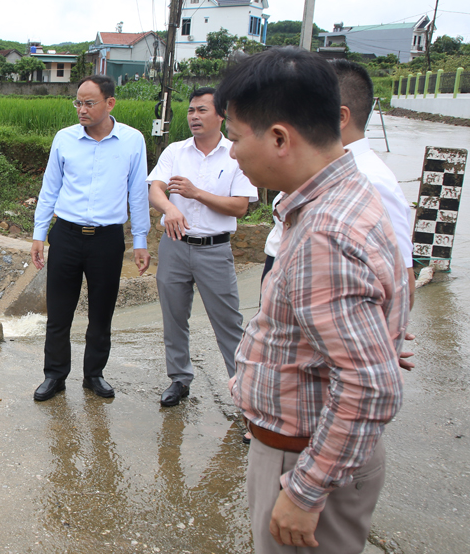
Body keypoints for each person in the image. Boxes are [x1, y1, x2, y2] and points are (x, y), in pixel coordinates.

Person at [217, 47, 408, 554]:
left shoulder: (326, 231)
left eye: (234, 138)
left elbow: (370, 386)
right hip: (307, 448)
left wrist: (304, 492)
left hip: (301, 459)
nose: (231, 153)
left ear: (279, 137)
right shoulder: (346, 193)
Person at [30, 74, 151, 401]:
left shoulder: (132, 141)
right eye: (78, 103)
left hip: (107, 240)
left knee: (101, 314)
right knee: (59, 314)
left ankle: (94, 375)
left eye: (89, 103)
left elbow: (138, 193)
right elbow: (49, 188)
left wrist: (140, 240)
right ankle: (54, 376)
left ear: (110, 103)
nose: (81, 109)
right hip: (66, 236)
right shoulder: (64, 139)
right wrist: (39, 234)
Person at [262, 59, 416, 310]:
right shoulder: (319, 167)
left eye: (301, 109)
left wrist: (385, 339)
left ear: (340, 117)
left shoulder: (370, 179)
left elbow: (400, 277)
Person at [146, 86, 257, 407]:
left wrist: (195, 194)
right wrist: (169, 208)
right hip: (174, 247)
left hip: (214, 250)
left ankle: (246, 393)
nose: (194, 116)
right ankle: (179, 379)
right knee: (174, 317)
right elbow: (155, 189)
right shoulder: (175, 151)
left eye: (202, 110)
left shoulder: (236, 154)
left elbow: (239, 207)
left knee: (228, 323)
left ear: (221, 115)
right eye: (191, 110)